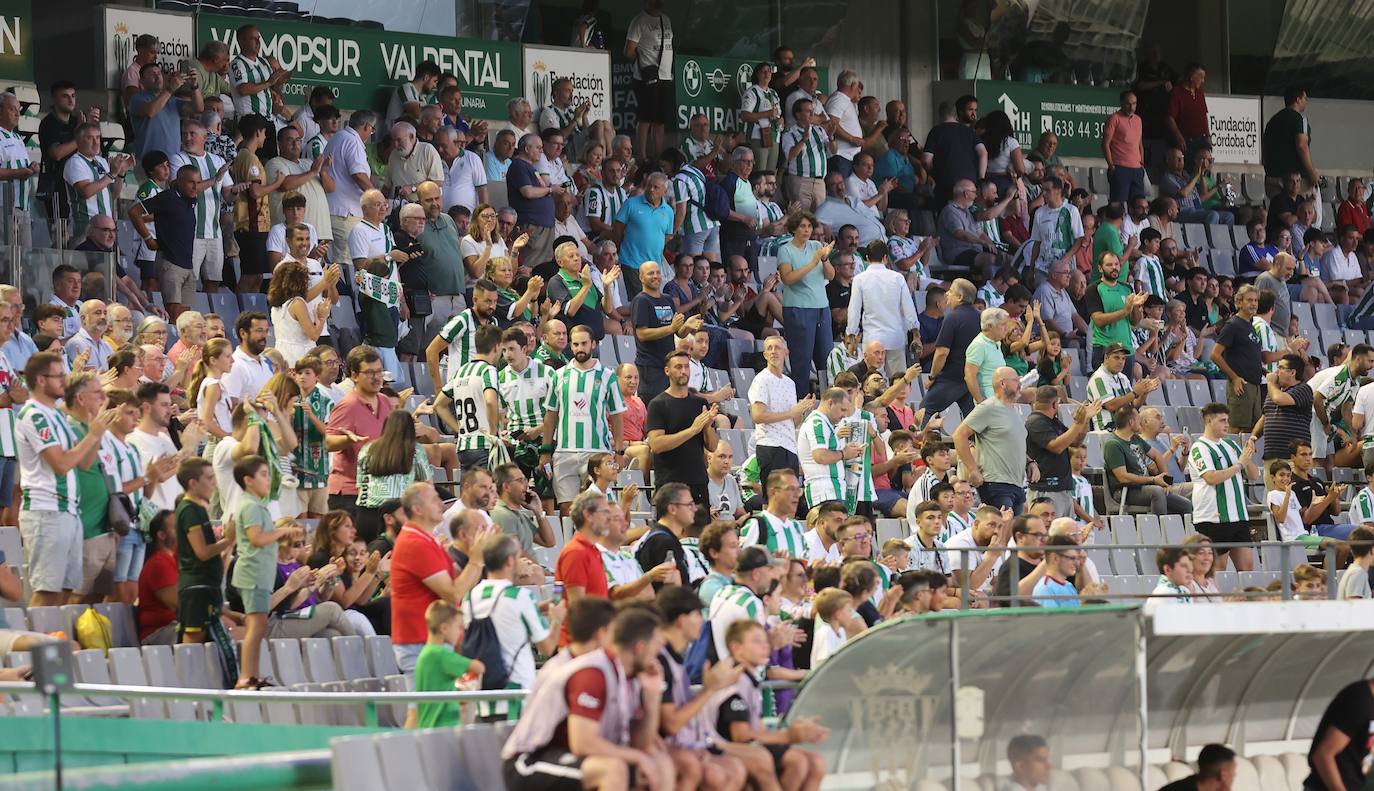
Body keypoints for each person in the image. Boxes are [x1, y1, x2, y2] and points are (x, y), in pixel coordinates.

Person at [501, 605, 675, 791]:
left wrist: (652, 697)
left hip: (573, 756)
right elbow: (583, 743)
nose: (660, 654)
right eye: (658, 645)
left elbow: (642, 744)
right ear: (640, 647)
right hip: (530, 760)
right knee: (613, 769)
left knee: (660, 762)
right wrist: (638, 757)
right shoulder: (592, 673)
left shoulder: (631, 676)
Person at [463, 533, 562, 722]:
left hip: (482, 697)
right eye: (519, 556)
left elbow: (500, 620)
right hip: (517, 696)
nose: (525, 561)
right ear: (509, 561)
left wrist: (535, 610)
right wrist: (557, 619)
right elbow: (547, 647)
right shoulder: (519, 596)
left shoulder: (470, 597)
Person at [391, 482, 487, 677]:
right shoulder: (415, 543)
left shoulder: (426, 540)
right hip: (420, 640)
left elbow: (460, 585)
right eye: (434, 499)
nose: (441, 504)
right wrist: (476, 559)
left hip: (433, 640)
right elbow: (453, 593)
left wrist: (478, 558)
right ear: (418, 509)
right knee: (427, 707)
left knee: (436, 707)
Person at [540, 326, 626, 515]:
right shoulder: (559, 375)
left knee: (596, 509)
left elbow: (617, 415)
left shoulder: (608, 376)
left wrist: (619, 450)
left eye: (584, 343)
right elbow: (551, 414)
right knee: (566, 509)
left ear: (593, 344)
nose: (580, 348)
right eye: (576, 344)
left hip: (597, 452)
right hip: (564, 451)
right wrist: (545, 450)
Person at [229, 455, 293, 688]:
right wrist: (282, 532)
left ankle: (253, 675)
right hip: (252, 574)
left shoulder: (258, 505)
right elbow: (257, 538)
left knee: (260, 626)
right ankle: (246, 677)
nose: (268, 479)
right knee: (255, 627)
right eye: (264, 475)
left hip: (260, 574)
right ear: (248, 480)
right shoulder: (250, 505)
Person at [325, 347, 394, 516]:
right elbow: (327, 442)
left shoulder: (385, 401)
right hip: (349, 494)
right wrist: (347, 440)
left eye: (379, 372)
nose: (377, 377)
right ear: (354, 376)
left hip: (377, 491)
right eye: (369, 373)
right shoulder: (347, 405)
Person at [1191, 403, 1259, 571]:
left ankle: (1243, 597)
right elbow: (1211, 477)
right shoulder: (1199, 447)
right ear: (1208, 420)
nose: (1227, 424)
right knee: (1218, 570)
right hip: (1213, 517)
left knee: (1247, 568)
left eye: (1227, 420)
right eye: (1222, 420)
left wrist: (1248, 455)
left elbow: (1254, 475)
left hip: (1238, 514)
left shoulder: (1231, 444)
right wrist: (1239, 465)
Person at [953, 367, 1028, 514]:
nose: (1020, 384)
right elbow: (959, 434)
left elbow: (1013, 444)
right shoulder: (988, 407)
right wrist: (972, 469)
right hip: (996, 483)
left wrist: (1030, 462)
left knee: (1013, 536)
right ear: (1002, 384)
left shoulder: (1014, 411)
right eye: (1015, 380)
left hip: (1017, 484)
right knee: (999, 532)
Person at [412, 600, 480, 728]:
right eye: (458, 627)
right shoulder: (440, 654)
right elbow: (479, 667)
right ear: (444, 628)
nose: (461, 633)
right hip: (444, 727)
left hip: (429, 726)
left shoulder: (426, 652)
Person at [921, 278, 981, 418]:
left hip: (952, 377)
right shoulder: (981, 317)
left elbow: (942, 353)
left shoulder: (952, 317)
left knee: (925, 410)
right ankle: (975, 441)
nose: (947, 294)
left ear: (959, 297)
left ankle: (920, 440)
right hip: (972, 376)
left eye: (951, 291)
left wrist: (932, 376)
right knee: (972, 418)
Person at [610, 171, 673, 299]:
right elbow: (617, 230)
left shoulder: (668, 211)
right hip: (631, 262)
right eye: (649, 185)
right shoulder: (631, 204)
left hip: (654, 265)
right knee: (640, 300)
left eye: (656, 187)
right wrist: (617, 254)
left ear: (664, 192)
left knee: (649, 300)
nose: (651, 189)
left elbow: (667, 236)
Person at [625, 0, 674, 160]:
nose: (659, 3)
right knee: (645, 118)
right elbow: (629, 50)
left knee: (659, 120)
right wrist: (644, 66)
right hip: (646, 78)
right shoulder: (639, 21)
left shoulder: (665, 19)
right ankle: (643, 156)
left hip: (665, 76)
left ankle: (658, 156)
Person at [1104, 90, 1146, 202]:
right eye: (1128, 103)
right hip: (1120, 168)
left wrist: (1142, 162)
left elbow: (1139, 143)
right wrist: (1111, 166)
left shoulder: (1138, 120)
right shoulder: (1114, 118)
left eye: (1134, 103)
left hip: (1137, 169)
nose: (1131, 107)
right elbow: (1105, 144)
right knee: (1118, 205)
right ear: (1121, 103)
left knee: (1139, 204)